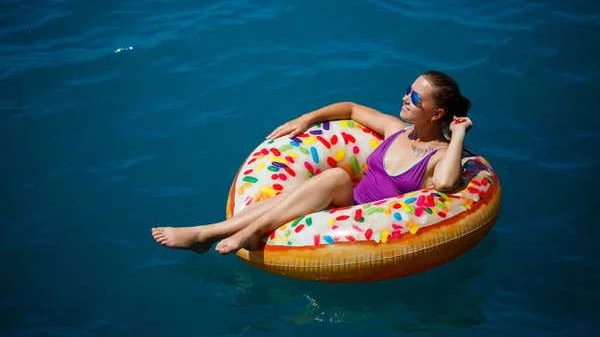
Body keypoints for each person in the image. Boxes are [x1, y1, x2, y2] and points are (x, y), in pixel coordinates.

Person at [152, 70, 473, 255]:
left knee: (334, 177)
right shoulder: (394, 130)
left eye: (416, 97)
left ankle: (223, 234)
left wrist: (457, 135)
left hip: (371, 224)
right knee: (308, 189)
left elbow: (445, 184)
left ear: (437, 113)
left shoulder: (440, 155)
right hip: (344, 206)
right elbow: (350, 109)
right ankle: (204, 234)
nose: (406, 97)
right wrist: (306, 118)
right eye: (408, 90)